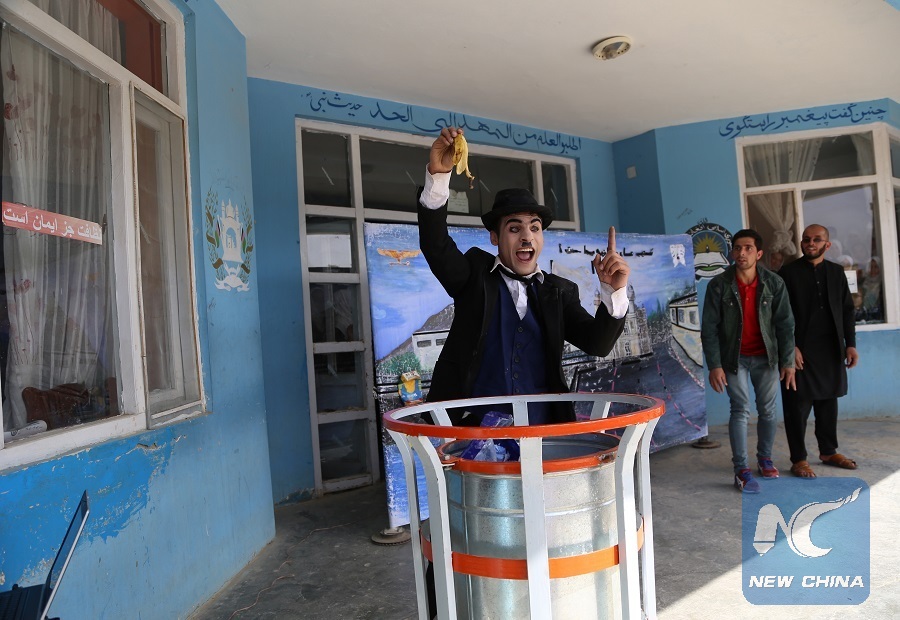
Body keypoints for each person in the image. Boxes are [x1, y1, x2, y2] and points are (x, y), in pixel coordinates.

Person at [418, 127, 630, 425]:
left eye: (535, 228)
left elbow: (598, 344)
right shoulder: (474, 276)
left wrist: (614, 292)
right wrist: (439, 176)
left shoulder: (559, 293)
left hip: (541, 428)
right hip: (475, 431)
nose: (527, 237)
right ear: (495, 237)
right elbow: (435, 245)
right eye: (515, 228)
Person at [701, 229, 795, 493]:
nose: (741, 253)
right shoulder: (719, 285)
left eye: (748, 248)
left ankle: (765, 459)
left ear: (759, 253)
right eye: (737, 248)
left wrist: (788, 361)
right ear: (732, 252)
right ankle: (741, 469)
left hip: (767, 358)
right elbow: (709, 329)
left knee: (768, 410)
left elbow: (786, 325)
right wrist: (715, 365)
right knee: (740, 409)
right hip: (735, 359)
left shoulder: (774, 283)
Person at [778, 224, 859, 478]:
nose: (810, 243)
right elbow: (779, 314)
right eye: (806, 239)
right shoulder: (788, 273)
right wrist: (790, 347)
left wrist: (850, 344)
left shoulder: (836, 272)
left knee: (828, 402)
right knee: (797, 406)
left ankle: (828, 451)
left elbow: (847, 310)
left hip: (831, 349)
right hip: (800, 351)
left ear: (827, 244)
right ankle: (799, 459)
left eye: (816, 239)